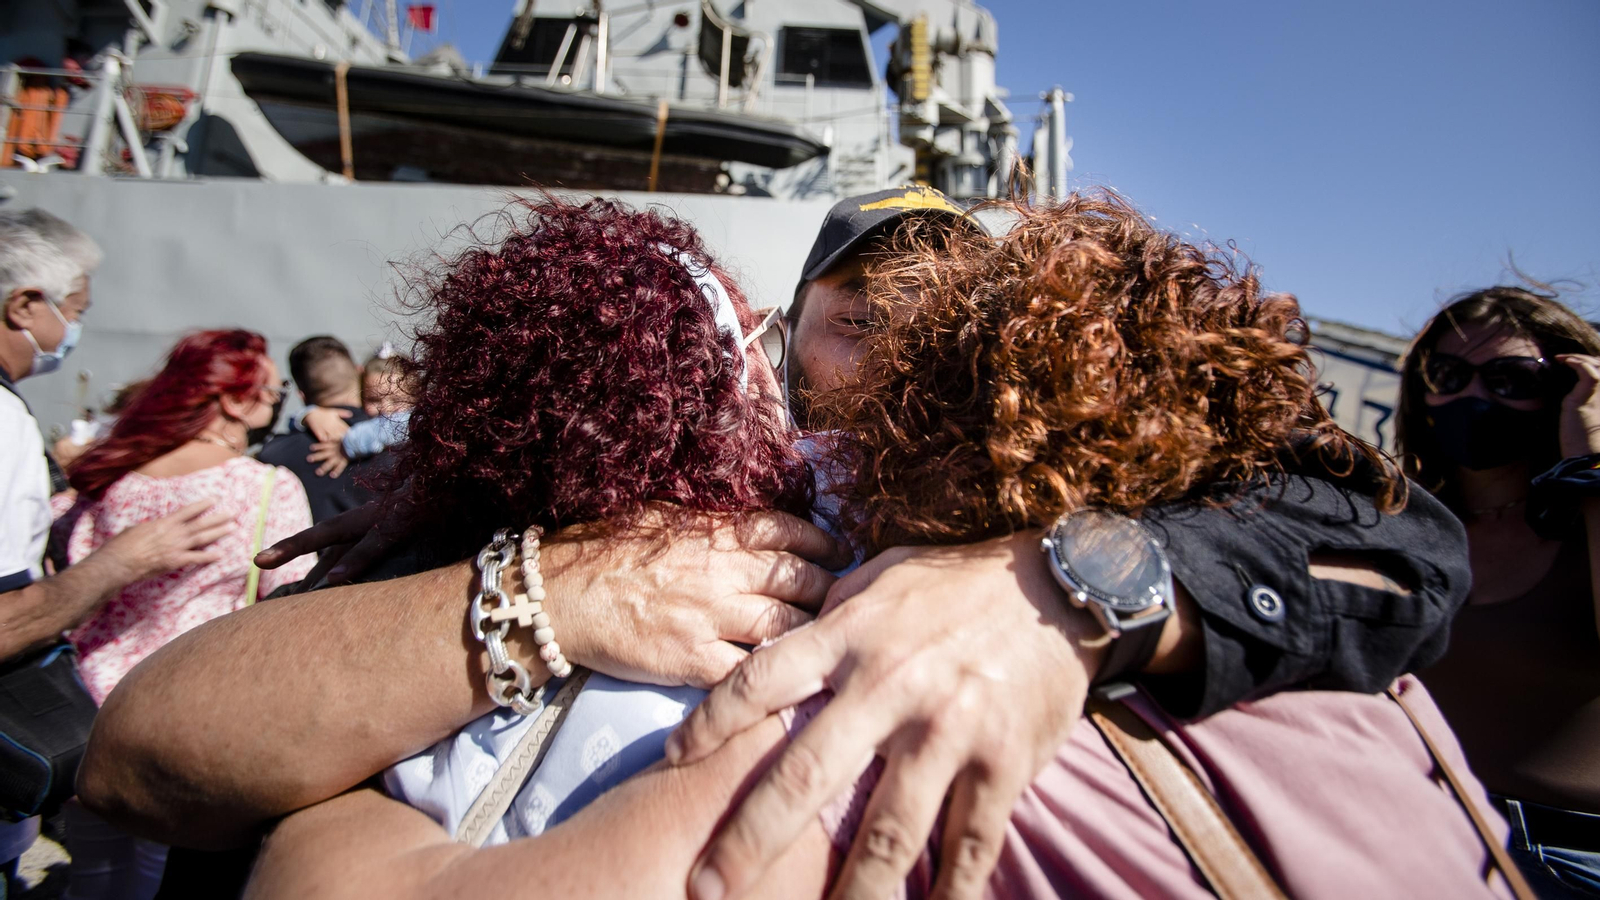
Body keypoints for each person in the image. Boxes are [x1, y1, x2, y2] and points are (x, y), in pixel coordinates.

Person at [80, 191, 1466, 897]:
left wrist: (1061, 592)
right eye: (858, 299)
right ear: (782, 336)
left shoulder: (877, 666)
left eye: (945, 307)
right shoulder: (643, 505)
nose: (899, 335)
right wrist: (554, 586)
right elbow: (147, 752)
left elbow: (1408, 549)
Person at [0, 210, 228, 892]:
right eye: (74, 310)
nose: (74, 329)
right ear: (22, 306)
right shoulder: (7, 427)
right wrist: (124, 560)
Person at [49, 328, 315, 899]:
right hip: (187, 707)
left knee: (92, 879)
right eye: (272, 391)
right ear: (233, 399)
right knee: (161, 881)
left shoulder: (116, 481)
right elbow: (291, 600)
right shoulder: (266, 486)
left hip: (87, 706)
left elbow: (65, 569)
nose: (275, 404)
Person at [1402, 287, 1600, 898]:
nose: (1474, 398)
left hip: (1565, 860)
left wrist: (1589, 461)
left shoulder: (1586, 522)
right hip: (1411, 832)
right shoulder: (1399, 518)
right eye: (1449, 373)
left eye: (1511, 378)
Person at [257, 336, 378, 523]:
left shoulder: (272, 457)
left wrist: (305, 414)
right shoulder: (403, 442)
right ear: (361, 374)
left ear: (302, 396)